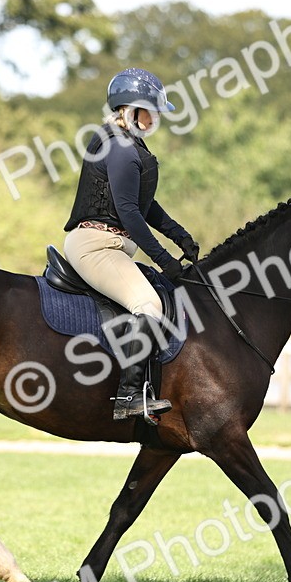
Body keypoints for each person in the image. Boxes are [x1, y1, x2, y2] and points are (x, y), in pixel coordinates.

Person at [63, 67, 200, 420]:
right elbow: (127, 212)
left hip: (113, 245)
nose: (155, 118)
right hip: (96, 245)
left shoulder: (128, 144)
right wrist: (164, 259)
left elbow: (145, 205)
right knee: (148, 305)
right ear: (128, 109)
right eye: (149, 110)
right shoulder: (120, 148)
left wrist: (179, 234)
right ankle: (129, 398)